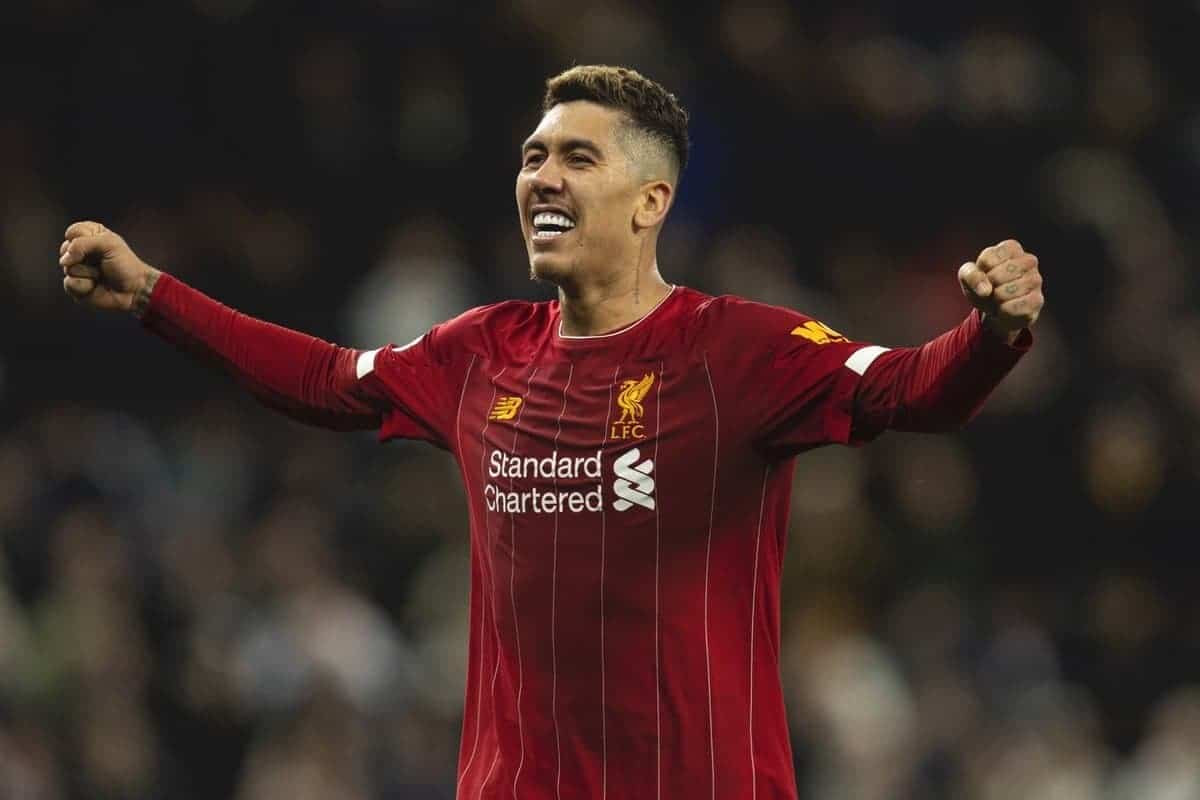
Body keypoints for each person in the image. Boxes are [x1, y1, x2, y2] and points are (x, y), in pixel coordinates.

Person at [58, 65, 1043, 799]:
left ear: (653, 200)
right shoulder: (479, 352)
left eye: (578, 156)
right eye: (533, 156)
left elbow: (918, 390)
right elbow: (323, 377)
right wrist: (154, 293)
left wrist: (991, 334)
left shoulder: (739, 349)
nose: (542, 177)